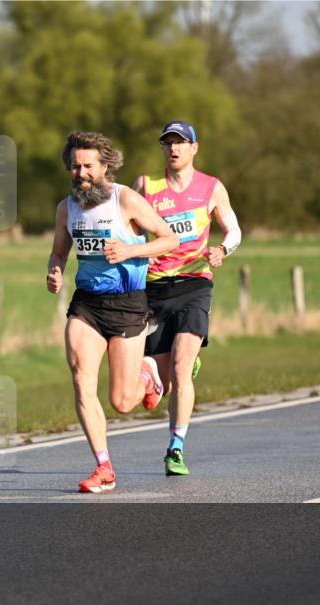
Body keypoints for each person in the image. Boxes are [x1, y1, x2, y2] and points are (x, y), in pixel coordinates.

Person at [47, 131, 178, 494]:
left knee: (121, 402)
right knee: (80, 378)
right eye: (75, 166)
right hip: (87, 304)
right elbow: (59, 251)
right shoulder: (66, 208)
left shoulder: (126, 200)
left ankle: (149, 375)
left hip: (127, 303)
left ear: (105, 166)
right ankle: (103, 467)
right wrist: (55, 270)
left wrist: (130, 251)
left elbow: (169, 239)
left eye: (88, 166)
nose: (81, 173)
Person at [133, 120, 242, 476]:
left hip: (194, 284)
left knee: (181, 369)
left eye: (180, 142)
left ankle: (175, 449)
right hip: (154, 289)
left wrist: (222, 250)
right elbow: (129, 228)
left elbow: (233, 229)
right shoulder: (146, 186)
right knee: (162, 386)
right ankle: (174, 369)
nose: (173, 148)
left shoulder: (211, 187)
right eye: (167, 143)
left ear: (194, 148)